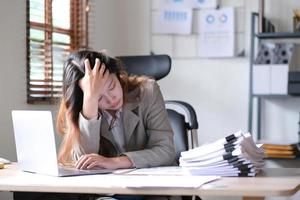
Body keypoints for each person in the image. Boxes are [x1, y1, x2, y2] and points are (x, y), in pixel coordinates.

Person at [14, 50, 176, 200]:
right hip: (102, 192)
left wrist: (114, 162)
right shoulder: (81, 107)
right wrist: (90, 103)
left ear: (118, 75)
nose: (111, 99)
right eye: (99, 97)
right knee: (28, 194)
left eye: (112, 86)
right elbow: (80, 163)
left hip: (146, 191)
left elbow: (165, 150)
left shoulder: (148, 91)